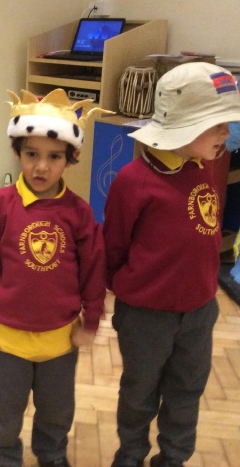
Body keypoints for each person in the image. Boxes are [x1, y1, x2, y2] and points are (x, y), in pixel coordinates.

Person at [103, 62, 240, 467]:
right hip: (146, 317)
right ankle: (131, 453)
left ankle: (174, 458)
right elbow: (113, 247)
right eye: (218, 125)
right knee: (139, 392)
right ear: (186, 125)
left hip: (200, 310)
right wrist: (131, 291)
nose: (227, 133)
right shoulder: (133, 181)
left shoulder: (206, 164)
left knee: (187, 391)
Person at [0, 88, 109, 467]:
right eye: (32, 154)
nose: (41, 167)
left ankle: (51, 454)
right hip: (9, 340)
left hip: (60, 339)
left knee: (56, 410)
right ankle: (6, 456)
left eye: (54, 157)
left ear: (70, 158)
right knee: (4, 409)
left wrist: (92, 320)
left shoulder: (79, 213)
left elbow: (94, 269)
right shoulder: (0, 205)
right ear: (18, 153)